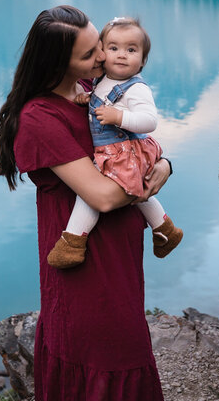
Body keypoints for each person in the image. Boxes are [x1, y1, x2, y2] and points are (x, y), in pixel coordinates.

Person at [0, 5, 171, 401]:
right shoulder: (40, 118)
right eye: (91, 54)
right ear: (59, 63)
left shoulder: (93, 91)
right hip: (86, 267)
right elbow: (106, 197)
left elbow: (133, 143)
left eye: (99, 46)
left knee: (123, 346)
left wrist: (164, 164)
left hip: (119, 254)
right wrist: (147, 175)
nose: (105, 58)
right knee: (106, 354)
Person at [46, 16, 183, 269]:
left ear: (142, 61)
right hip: (116, 150)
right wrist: (89, 98)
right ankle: (164, 228)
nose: (121, 55)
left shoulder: (136, 88)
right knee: (134, 185)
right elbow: (104, 97)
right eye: (112, 48)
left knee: (92, 189)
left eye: (131, 50)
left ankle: (74, 239)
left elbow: (148, 121)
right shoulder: (100, 81)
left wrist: (119, 116)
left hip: (124, 150)